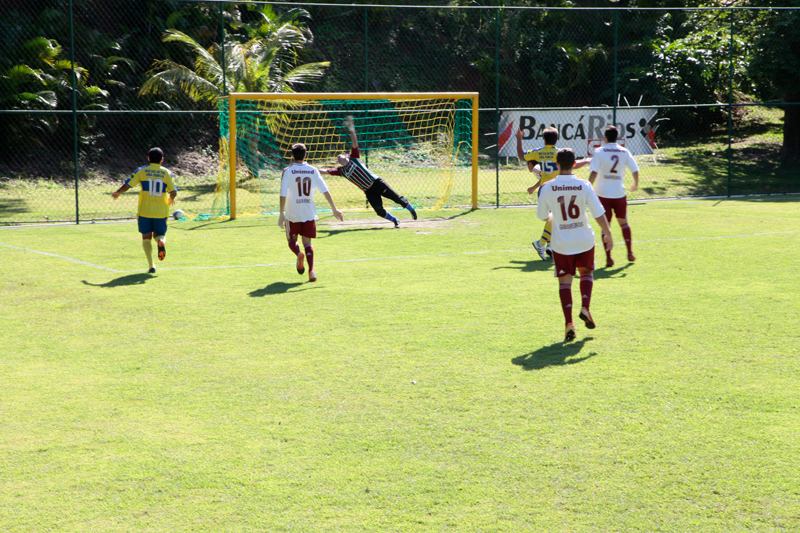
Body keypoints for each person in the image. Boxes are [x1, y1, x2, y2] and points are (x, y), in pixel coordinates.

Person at [537, 148, 614, 341]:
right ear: (574, 164)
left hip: (561, 243)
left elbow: (542, 216)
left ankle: (569, 324)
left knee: (565, 282)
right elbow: (598, 213)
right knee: (586, 273)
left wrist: (552, 216)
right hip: (584, 239)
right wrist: (608, 233)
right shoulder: (584, 185)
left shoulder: (547, 187)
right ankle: (585, 308)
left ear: (556, 164)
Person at [320, 115, 417, 227]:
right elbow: (325, 171)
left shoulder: (354, 158)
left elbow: (354, 142)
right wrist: (308, 168)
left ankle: (411, 209)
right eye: (337, 158)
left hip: (377, 183)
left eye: (340, 156)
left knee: (396, 198)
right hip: (368, 191)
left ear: (346, 156)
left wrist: (351, 129)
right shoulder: (341, 171)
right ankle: (395, 220)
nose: (338, 157)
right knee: (379, 210)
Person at [516, 127, 591, 261]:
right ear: (557, 139)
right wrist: (586, 161)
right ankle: (541, 243)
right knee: (558, 217)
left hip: (544, 189)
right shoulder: (559, 153)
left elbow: (521, 154)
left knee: (556, 218)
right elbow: (573, 164)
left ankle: (550, 246)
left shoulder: (538, 152)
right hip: (557, 189)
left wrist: (519, 139)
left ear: (544, 140)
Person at [279, 143, 344, 282]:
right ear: (305, 155)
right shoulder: (313, 170)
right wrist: (334, 208)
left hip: (293, 213)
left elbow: (283, 193)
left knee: (292, 240)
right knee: (307, 242)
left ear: (292, 155)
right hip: (308, 212)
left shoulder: (288, 171)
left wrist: (281, 214)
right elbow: (325, 190)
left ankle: (298, 253)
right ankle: (311, 271)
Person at [111, 147, 177, 274]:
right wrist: (171, 199)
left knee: (146, 237)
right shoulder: (167, 172)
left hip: (145, 211)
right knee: (159, 234)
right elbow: (173, 191)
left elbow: (128, 185)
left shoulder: (141, 171)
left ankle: (151, 266)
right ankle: (161, 241)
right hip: (161, 211)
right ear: (162, 160)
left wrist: (118, 192)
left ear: (148, 158)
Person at [588, 125, 640, 268]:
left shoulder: (599, 151)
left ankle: (609, 258)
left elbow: (594, 172)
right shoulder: (624, 151)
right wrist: (636, 183)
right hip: (619, 193)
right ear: (617, 137)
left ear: (605, 137)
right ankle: (629, 252)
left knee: (606, 226)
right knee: (624, 223)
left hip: (603, 194)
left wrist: (588, 187)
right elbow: (635, 169)